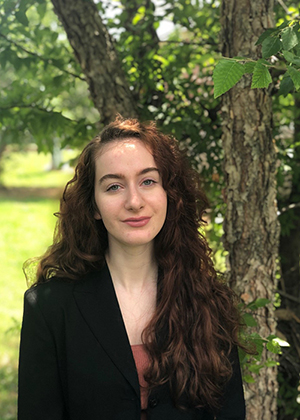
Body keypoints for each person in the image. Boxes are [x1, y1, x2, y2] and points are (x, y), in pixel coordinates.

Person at [18, 116, 248, 420]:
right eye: (114, 186)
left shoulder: (209, 301)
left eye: (148, 181)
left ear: (169, 194)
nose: (134, 201)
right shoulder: (49, 308)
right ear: (94, 206)